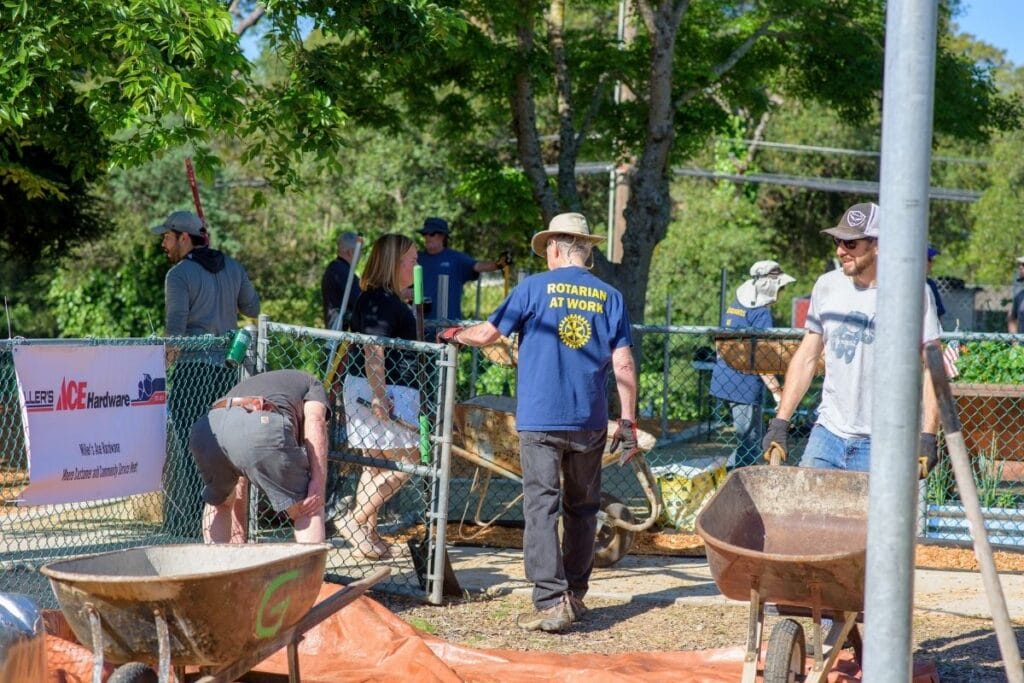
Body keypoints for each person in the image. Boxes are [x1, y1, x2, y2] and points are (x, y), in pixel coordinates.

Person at [437, 212, 637, 633]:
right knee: (582, 508)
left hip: (541, 418)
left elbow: (490, 334)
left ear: (560, 248)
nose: (546, 256)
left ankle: (551, 601)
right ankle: (575, 594)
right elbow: (623, 361)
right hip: (589, 420)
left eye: (547, 248)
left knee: (541, 505)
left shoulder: (532, 289)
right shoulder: (610, 296)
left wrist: (454, 333)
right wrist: (629, 421)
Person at [761, 202, 940, 474]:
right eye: (837, 241)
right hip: (828, 434)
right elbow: (807, 357)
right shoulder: (827, 286)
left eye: (850, 243)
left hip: (887, 442)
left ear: (878, 244)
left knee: (874, 518)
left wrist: (928, 435)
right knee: (806, 513)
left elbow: (933, 367)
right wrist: (780, 422)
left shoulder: (912, 292)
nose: (840, 251)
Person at [150, 210, 261, 537]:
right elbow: (252, 309)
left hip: (191, 368)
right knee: (222, 447)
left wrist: (164, 364)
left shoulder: (179, 275)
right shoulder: (233, 266)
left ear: (185, 237)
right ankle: (223, 519)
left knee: (187, 447)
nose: (163, 244)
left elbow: (175, 330)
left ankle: (184, 526)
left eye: (167, 237)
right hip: (227, 370)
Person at [337, 234, 421, 560]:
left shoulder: (378, 298)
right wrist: (379, 394)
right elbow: (375, 349)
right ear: (395, 262)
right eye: (412, 260)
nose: (416, 265)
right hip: (385, 389)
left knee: (373, 467)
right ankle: (355, 521)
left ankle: (367, 539)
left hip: (370, 387)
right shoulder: (382, 302)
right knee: (407, 464)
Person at [189, 370, 328, 544]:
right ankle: (311, 571)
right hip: (260, 424)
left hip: (207, 428)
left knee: (221, 503)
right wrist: (318, 483)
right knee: (308, 506)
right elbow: (316, 421)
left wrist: (238, 536)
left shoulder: (255, 383)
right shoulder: (313, 383)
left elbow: (240, 467)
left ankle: (217, 568)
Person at [710, 260, 795, 468]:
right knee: (751, 444)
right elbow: (761, 359)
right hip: (744, 384)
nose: (782, 293)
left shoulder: (737, 304)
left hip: (724, 376)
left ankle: (722, 472)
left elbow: (720, 343)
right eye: (781, 288)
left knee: (747, 442)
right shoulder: (761, 313)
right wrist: (777, 390)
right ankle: (733, 482)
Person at [417, 217, 508, 321]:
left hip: (448, 325)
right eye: (424, 234)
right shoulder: (416, 259)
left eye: (431, 234)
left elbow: (478, 266)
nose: (427, 237)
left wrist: (499, 264)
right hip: (421, 325)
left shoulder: (456, 259)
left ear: (443, 236)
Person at [321, 231, 362, 330]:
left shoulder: (335, 268)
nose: (360, 256)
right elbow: (361, 301)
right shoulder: (342, 272)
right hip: (340, 334)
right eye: (360, 251)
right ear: (351, 252)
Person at [925, 244, 946, 323]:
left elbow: (937, 315)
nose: (931, 264)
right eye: (929, 259)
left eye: (931, 260)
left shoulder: (930, 284)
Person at [1008, 255, 1024, 333]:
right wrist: (1015, 342)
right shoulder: (1019, 296)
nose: (1020, 267)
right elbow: (1012, 318)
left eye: (1023, 265)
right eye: (1020, 265)